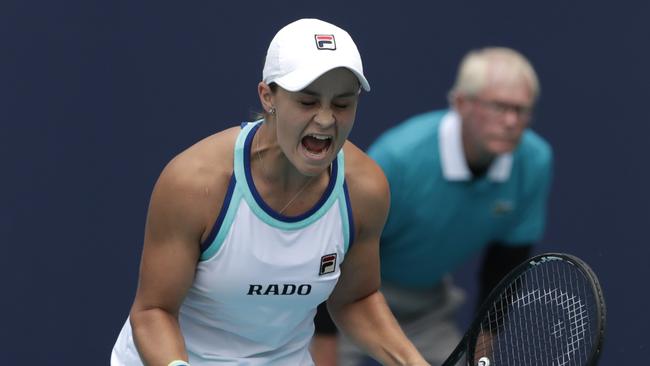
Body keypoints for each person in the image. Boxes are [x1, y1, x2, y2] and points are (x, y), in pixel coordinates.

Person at [110, 18, 431, 366]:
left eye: (341, 104)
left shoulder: (365, 189)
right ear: (268, 97)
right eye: (307, 102)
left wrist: (414, 363)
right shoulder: (194, 183)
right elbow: (153, 311)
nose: (325, 119)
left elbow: (355, 299)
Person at [312, 47, 554, 366]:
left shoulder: (535, 161)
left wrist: (480, 358)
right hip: (350, 297)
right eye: (499, 107)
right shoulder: (400, 158)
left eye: (521, 110)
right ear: (460, 104)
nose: (511, 121)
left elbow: (502, 272)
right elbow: (336, 255)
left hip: (429, 310)